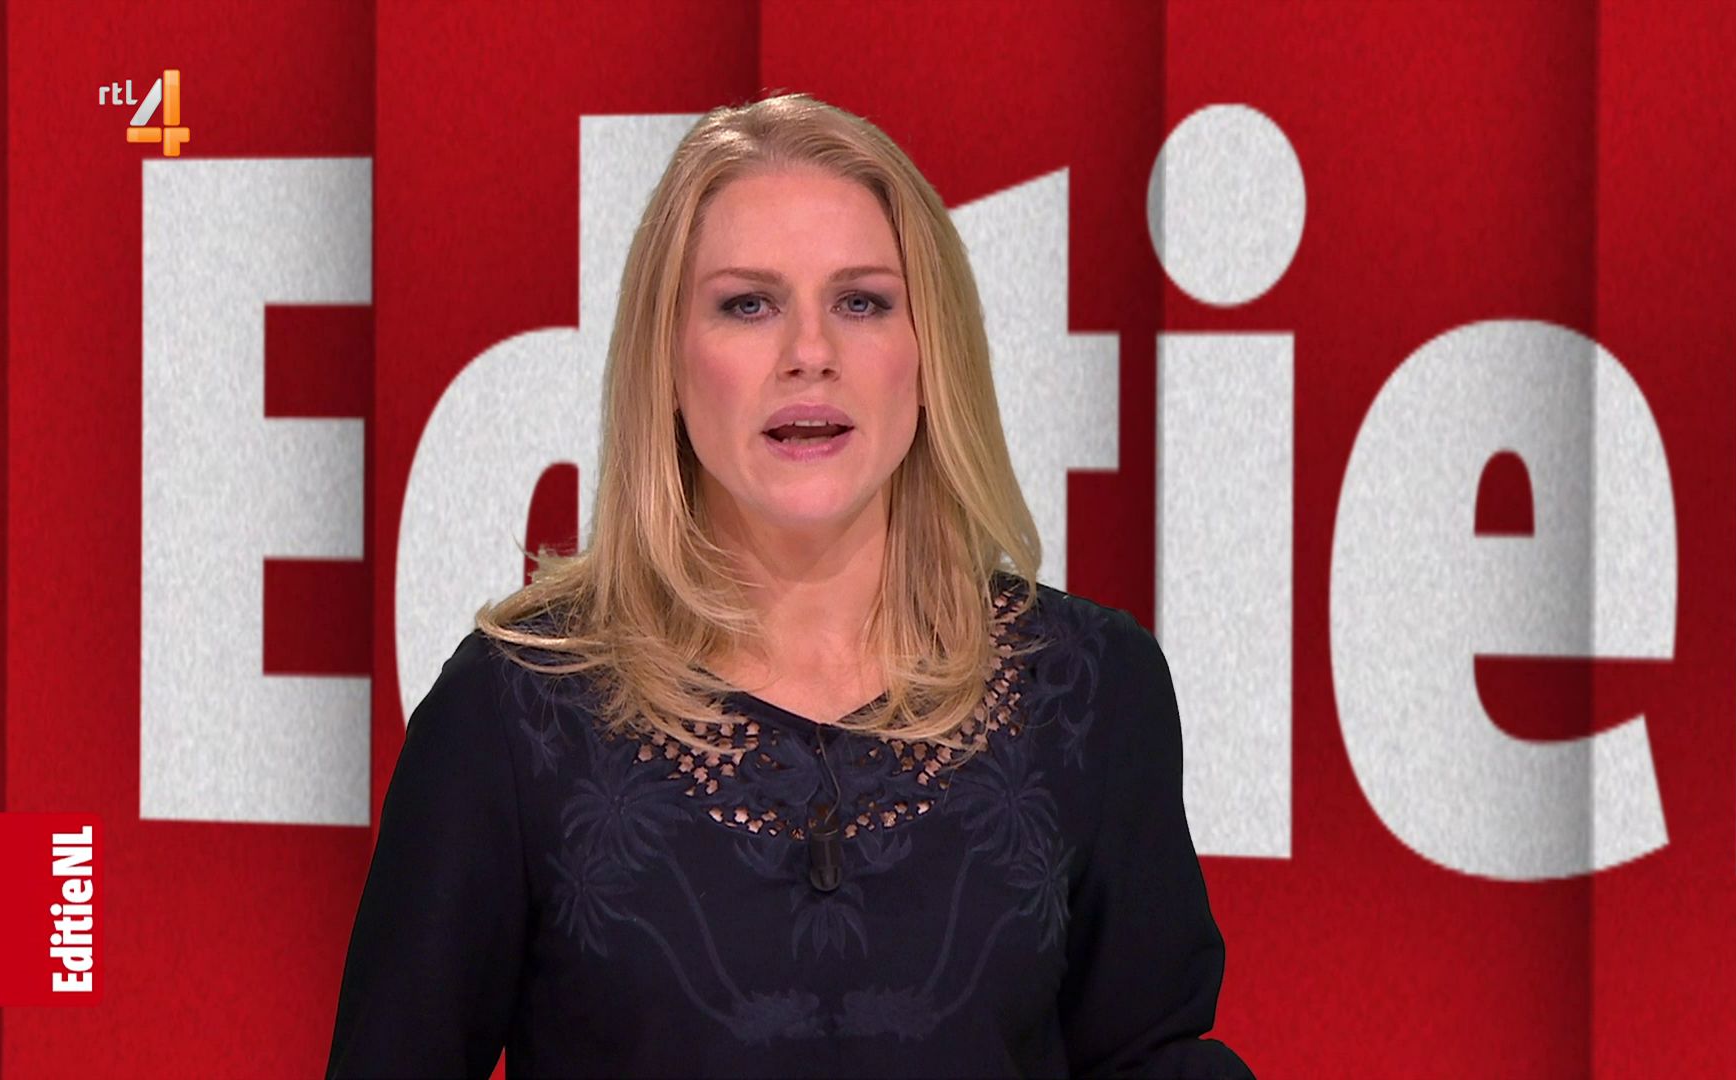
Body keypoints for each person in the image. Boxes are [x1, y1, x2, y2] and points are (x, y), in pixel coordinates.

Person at [325, 90, 1255, 1079]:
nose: (810, 353)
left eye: (862, 302)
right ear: (668, 361)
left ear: (930, 354)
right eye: (748, 305)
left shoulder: (1090, 690)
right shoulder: (512, 713)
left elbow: (1150, 1055)